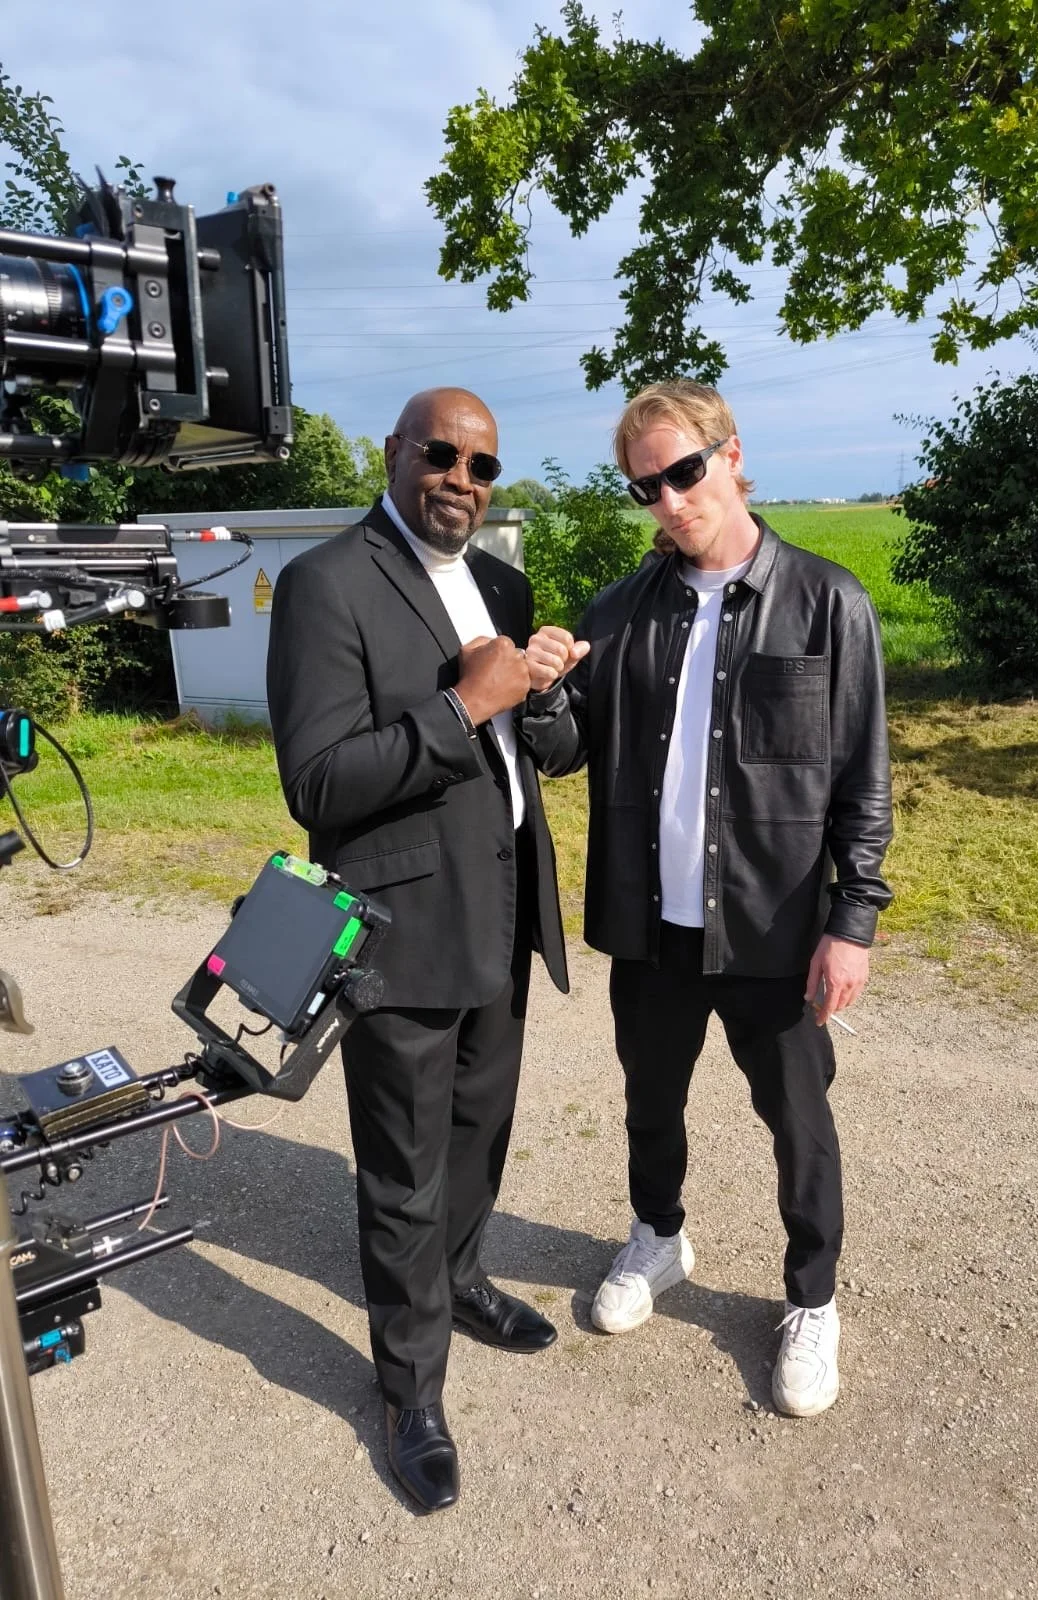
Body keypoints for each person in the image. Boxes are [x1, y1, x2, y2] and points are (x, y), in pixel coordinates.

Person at [520, 380, 893, 1418]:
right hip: (652, 926)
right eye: (647, 485)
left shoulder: (828, 601)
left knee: (797, 1118)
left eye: (685, 470)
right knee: (651, 1101)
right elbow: (563, 754)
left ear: (732, 455)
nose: (670, 500)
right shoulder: (622, 609)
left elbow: (864, 783)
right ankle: (658, 1235)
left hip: (775, 926)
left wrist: (851, 921)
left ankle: (811, 1298)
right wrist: (543, 689)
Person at [266, 387, 569, 1513]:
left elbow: (539, 747)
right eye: (439, 454)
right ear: (395, 454)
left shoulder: (502, 581)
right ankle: (409, 1391)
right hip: (403, 917)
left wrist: (540, 699)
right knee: (403, 1166)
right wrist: (461, 708)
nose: (461, 479)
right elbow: (318, 783)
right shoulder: (325, 584)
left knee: (480, 1127)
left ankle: (462, 1277)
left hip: (504, 903)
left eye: (482, 464)